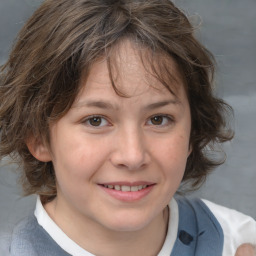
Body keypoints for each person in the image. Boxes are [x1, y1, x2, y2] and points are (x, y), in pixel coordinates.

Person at [0, 0, 255, 255]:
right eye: (96, 120)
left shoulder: (239, 241)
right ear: (37, 136)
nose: (133, 156)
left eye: (158, 119)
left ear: (193, 131)